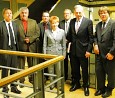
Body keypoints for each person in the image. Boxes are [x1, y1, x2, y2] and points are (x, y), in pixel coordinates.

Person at [67, 5, 94, 96]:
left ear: (83, 12)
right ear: (74, 13)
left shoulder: (88, 22)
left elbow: (91, 38)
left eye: (80, 12)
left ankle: (86, 86)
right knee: (75, 69)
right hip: (73, 50)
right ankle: (77, 83)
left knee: (85, 69)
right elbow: (69, 35)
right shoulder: (72, 21)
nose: (78, 14)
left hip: (84, 51)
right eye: (76, 12)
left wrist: (89, 50)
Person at [94, 6, 115, 98]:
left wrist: (112, 53)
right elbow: (95, 37)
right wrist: (95, 44)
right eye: (101, 13)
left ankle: (109, 89)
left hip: (109, 54)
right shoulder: (98, 25)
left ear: (108, 13)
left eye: (104, 12)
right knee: (99, 72)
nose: (102, 14)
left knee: (111, 74)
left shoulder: (113, 23)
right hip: (99, 54)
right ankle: (101, 88)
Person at [15, 7, 40, 86]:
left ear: (28, 13)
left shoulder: (33, 22)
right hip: (20, 47)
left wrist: (30, 39)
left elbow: (37, 33)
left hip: (31, 46)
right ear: (20, 14)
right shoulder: (15, 22)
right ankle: (21, 80)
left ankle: (31, 79)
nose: (24, 14)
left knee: (31, 65)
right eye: (22, 13)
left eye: (25, 13)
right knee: (21, 65)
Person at [0, 8, 21, 98]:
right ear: (3, 15)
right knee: (5, 69)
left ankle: (14, 86)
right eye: (7, 13)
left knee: (14, 69)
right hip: (5, 49)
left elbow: (17, 37)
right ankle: (5, 89)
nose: (9, 15)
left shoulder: (15, 24)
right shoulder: (0, 25)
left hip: (14, 49)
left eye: (11, 13)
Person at [43, 16, 66, 89]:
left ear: (58, 23)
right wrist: (44, 54)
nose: (54, 24)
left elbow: (64, 44)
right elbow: (44, 44)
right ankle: (52, 84)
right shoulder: (47, 31)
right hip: (49, 53)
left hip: (59, 54)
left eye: (56, 23)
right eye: (53, 23)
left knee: (58, 70)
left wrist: (64, 54)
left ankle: (58, 84)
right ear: (50, 23)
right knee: (50, 70)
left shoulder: (62, 31)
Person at [59, 9, 72, 81]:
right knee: (64, 62)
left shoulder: (73, 22)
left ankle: (73, 78)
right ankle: (65, 77)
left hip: (71, 45)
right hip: (62, 46)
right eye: (65, 13)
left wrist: (69, 40)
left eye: (68, 13)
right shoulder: (60, 23)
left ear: (70, 14)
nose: (66, 15)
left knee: (73, 63)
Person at [38, 11, 50, 81]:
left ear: (49, 17)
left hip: (50, 48)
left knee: (49, 63)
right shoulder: (39, 25)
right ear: (42, 17)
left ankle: (49, 77)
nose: (45, 17)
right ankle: (43, 78)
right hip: (41, 47)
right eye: (44, 16)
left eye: (47, 16)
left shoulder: (52, 25)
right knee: (42, 63)